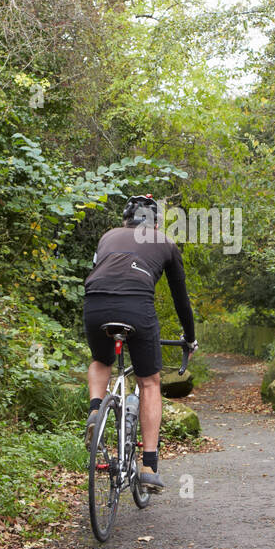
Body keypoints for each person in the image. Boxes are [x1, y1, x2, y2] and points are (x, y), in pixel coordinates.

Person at [82, 194, 196, 492]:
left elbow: (98, 270)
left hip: (95, 302)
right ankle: (148, 465)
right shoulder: (164, 242)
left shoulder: (108, 236)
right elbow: (180, 299)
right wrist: (190, 337)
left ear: (126, 220)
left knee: (101, 360)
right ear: (156, 223)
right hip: (136, 306)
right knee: (149, 382)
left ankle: (96, 409)